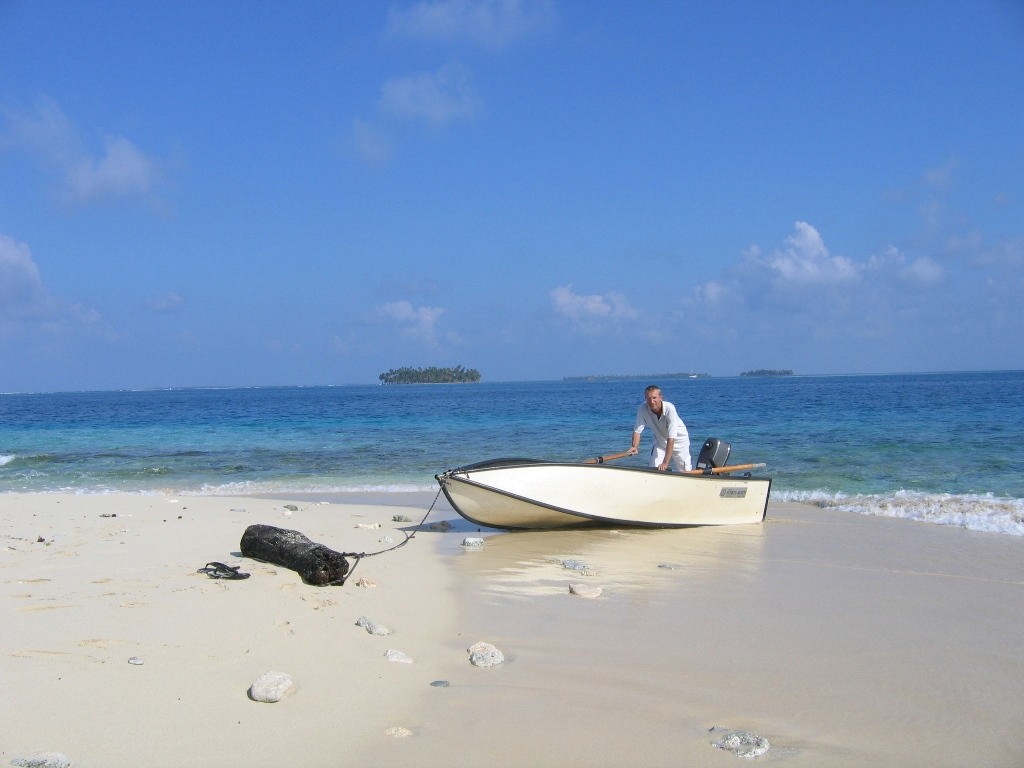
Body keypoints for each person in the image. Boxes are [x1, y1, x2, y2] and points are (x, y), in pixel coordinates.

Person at [627, 384, 692, 471]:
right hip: (660, 442)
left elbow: (671, 438)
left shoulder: (670, 408)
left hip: (679, 442)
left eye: (654, 398)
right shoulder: (642, 409)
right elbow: (637, 431)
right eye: (648, 398)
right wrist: (634, 446)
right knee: (653, 468)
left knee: (685, 471)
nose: (651, 401)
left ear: (661, 397)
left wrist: (665, 462)